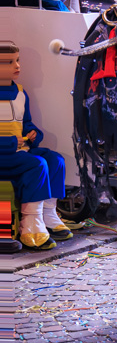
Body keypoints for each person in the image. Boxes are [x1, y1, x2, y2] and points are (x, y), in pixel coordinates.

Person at [0, 42, 71, 252]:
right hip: (4, 153)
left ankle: (48, 213)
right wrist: (13, 143)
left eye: (18, 60)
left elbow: (27, 122)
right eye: (9, 62)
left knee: (55, 160)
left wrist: (33, 135)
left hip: (18, 151)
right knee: (37, 165)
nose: (17, 66)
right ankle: (30, 224)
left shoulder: (21, 93)